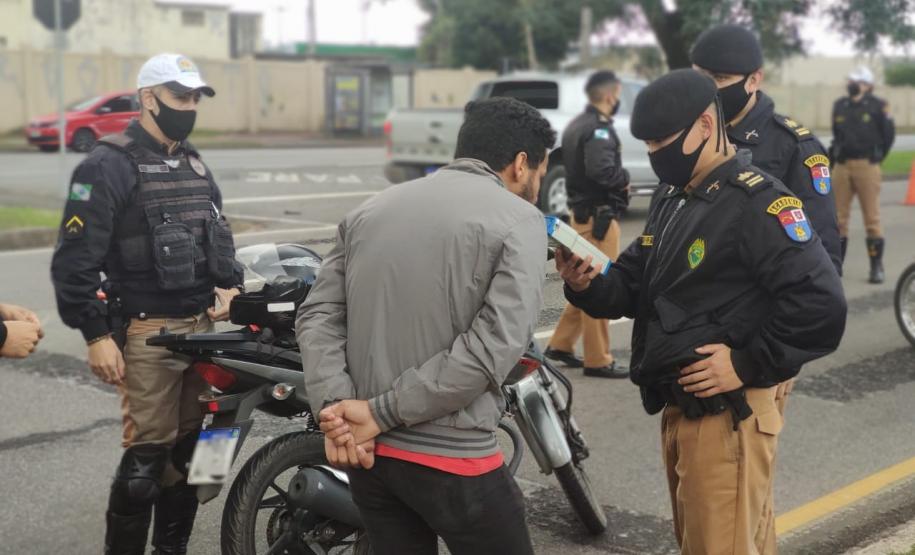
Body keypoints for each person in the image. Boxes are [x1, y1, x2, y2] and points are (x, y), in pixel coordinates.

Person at [556, 69, 846, 554]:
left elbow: (822, 304)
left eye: (663, 140)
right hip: (681, 409)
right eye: (646, 143)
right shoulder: (674, 196)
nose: (654, 154)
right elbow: (633, 282)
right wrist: (587, 283)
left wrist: (746, 362)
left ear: (706, 127)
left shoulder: (759, 203)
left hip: (725, 418)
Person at [297, 96, 554, 555]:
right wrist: (381, 412)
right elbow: (493, 346)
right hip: (453, 459)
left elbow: (318, 316)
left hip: (369, 459)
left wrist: (337, 409)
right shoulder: (521, 221)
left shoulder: (367, 211)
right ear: (521, 163)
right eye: (541, 169)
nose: (539, 182)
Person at [50, 53, 243, 555]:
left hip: (201, 331)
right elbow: (74, 263)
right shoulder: (105, 165)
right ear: (148, 98)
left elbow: (217, 238)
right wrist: (95, 335)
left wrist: (231, 287)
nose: (190, 106)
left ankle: (171, 550)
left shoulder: (195, 163)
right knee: (145, 465)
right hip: (145, 334)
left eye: (196, 97)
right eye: (181, 96)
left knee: (191, 453)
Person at [690, 24, 842, 276]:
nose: (707, 87)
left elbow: (823, 259)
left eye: (719, 78)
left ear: (754, 80)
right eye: (700, 76)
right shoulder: (693, 133)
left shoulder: (795, 147)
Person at [545, 70, 630, 379]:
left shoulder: (578, 124)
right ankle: (599, 359)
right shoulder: (599, 129)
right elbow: (602, 170)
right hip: (600, 219)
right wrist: (626, 180)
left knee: (583, 279)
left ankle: (561, 345)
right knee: (600, 283)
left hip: (582, 215)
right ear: (611, 94)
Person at [831, 65, 895, 283]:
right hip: (842, 167)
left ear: (867, 85)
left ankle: (876, 268)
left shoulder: (879, 107)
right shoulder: (840, 106)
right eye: (850, 80)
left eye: (856, 81)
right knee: (838, 219)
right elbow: (836, 134)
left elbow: (888, 136)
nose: (851, 84)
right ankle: (835, 268)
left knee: (872, 218)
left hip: (867, 165)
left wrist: (877, 158)